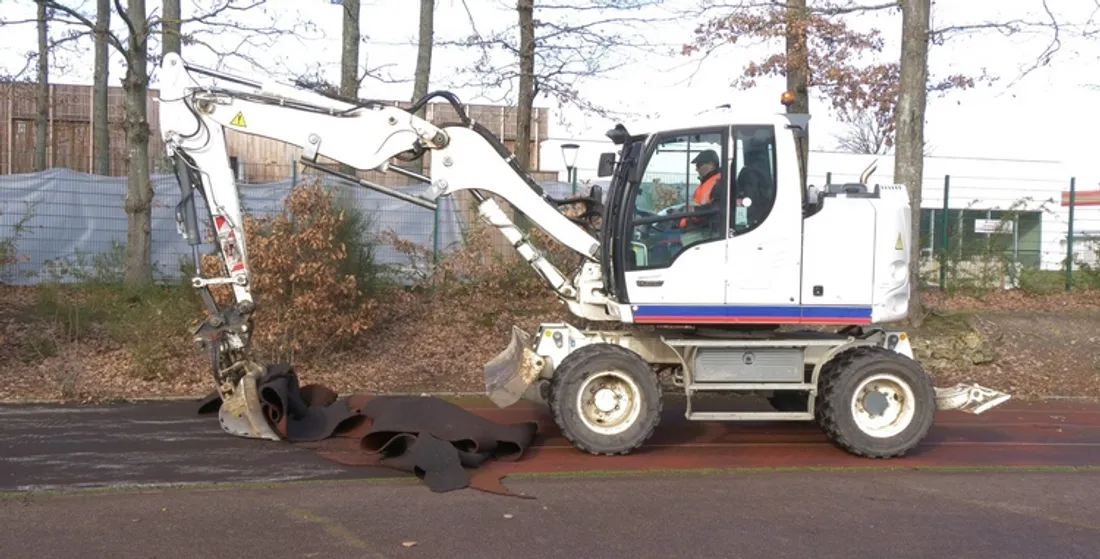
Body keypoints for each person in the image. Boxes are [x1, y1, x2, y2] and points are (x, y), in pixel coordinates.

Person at [679, 149, 721, 229]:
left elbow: (716, 208)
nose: (696, 169)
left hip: (706, 230)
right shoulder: (707, 182)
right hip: (696, 226)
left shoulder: (720, 183)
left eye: (699, 165)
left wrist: (693, 210)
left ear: (711, 165)